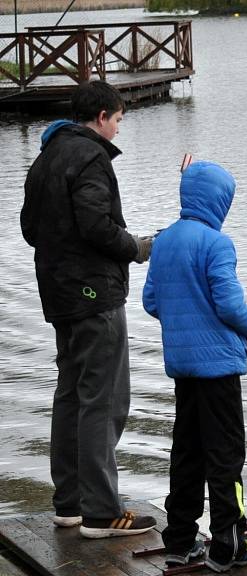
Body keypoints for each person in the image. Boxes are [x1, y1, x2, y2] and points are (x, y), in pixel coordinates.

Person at [20, 80, 156, 539]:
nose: (118, 130)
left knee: (71, 395)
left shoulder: (46, 156)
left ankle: (70, 504)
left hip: (58, 294)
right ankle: (102, 512)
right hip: (94, 295)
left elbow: (29, 228)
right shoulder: (91, 156)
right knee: (105, 400)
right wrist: (136, 248)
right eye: (118, 120)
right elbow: (97, 225)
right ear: (101, 117)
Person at [142, 160, 247, 572]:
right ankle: (229, 544)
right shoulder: (217, 244)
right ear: (218, 201)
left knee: (187, 453)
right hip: (218, 369)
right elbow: (230, 305)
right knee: (225, 456)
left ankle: (179, 540)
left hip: (183, 367)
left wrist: (185, 322)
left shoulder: (163, 242)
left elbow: (151, 302)